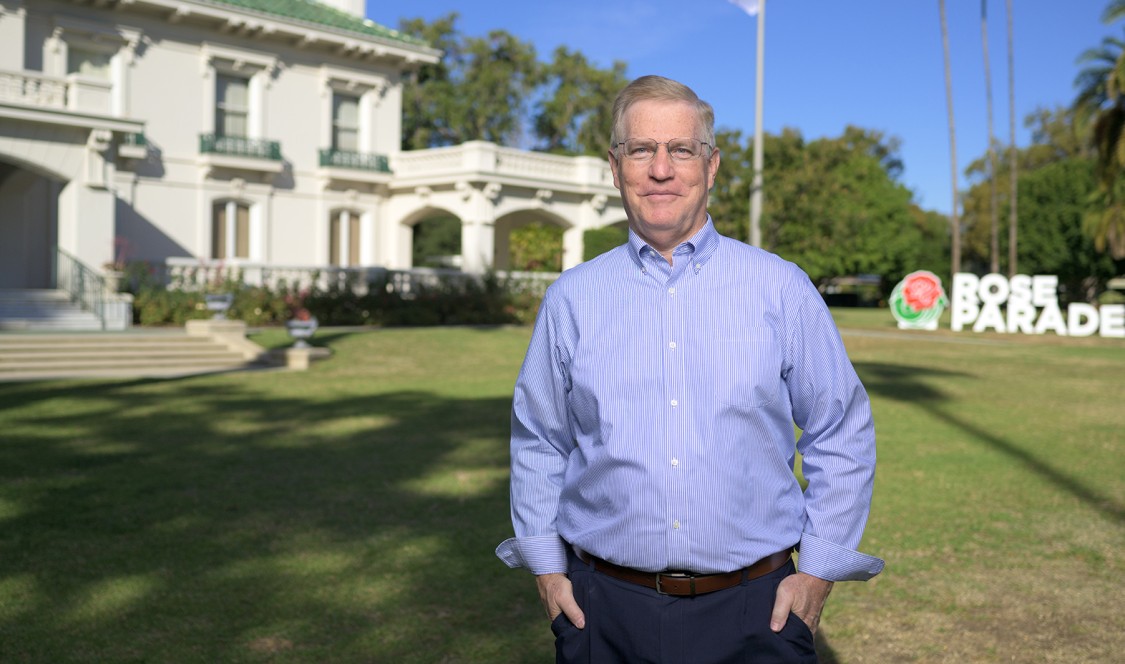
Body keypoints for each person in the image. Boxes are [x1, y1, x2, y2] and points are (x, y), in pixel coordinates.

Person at [496, 75, 883, 663]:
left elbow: (840, 430)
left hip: (757, 612)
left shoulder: (781, 288)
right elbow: (541, 442)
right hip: (603, 612)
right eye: (641, 150)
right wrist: (549, 572)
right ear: (615, 165)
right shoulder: (572, 299)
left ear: (712, 164)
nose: (660, 169)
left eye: (680, 149)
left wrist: (818, 574)